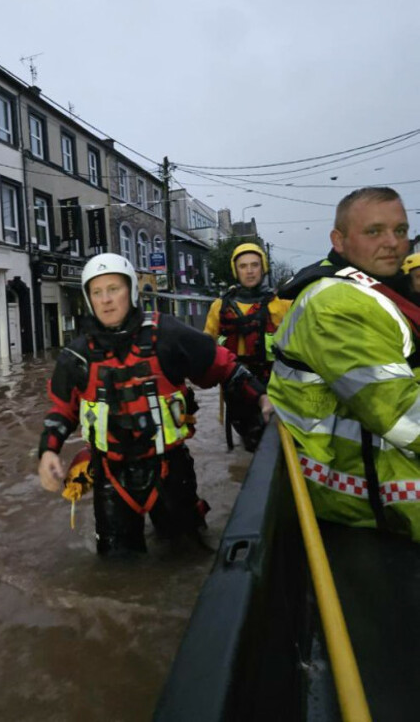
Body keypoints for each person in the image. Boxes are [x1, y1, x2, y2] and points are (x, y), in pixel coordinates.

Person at [38, 252, 273, 555]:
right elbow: (61, 411)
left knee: (187, 556)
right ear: (88, 298)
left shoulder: (168, 334)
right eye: (97, 292)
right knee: (118, 566)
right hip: (111, 475)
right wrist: (48, 451)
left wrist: (263, 396)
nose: (106, 300)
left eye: (114, 289)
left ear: (131, 292)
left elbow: (226, 367)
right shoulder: (77, 356)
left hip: (170, 470)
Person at [268, 187, 420, 541]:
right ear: (339, 240)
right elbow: (404, 419)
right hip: (362, 488)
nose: (392, 242)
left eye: (400, 231)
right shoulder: (338, 304)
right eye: (373, 231)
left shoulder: (375, 290)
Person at [204, 243, 290, 450]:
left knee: (267, 436)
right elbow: (207, 343)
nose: (249, 271)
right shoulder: (220, 306)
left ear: (263, 268)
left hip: (271, 378)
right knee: (248, 435)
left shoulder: (280, 304)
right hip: (236, 381)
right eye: (243, 266)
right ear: (236, 270)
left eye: (254, 265)